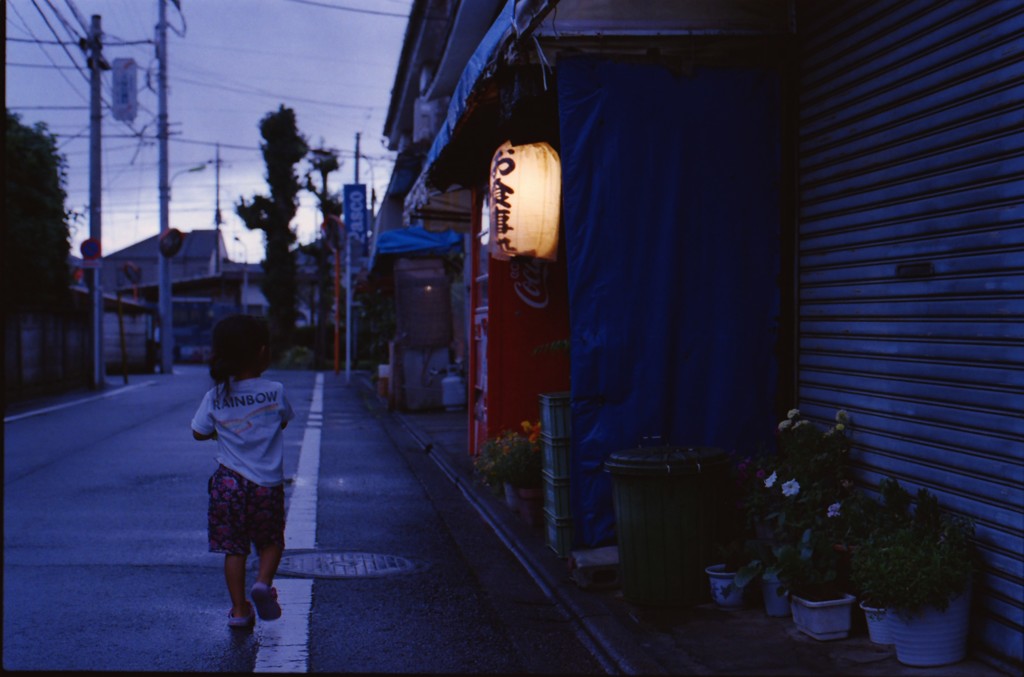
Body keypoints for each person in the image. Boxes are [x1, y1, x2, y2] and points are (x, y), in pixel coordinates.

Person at [191, 314, 294, 628]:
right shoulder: (274, 391)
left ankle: (238, 610)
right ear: (263, 352)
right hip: (266, 484)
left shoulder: (216, 395)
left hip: (228, 484)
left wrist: (219, 432)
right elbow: (284, 420)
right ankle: (263, 583)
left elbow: (197, 432)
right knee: (271, 541)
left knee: (233, 549)